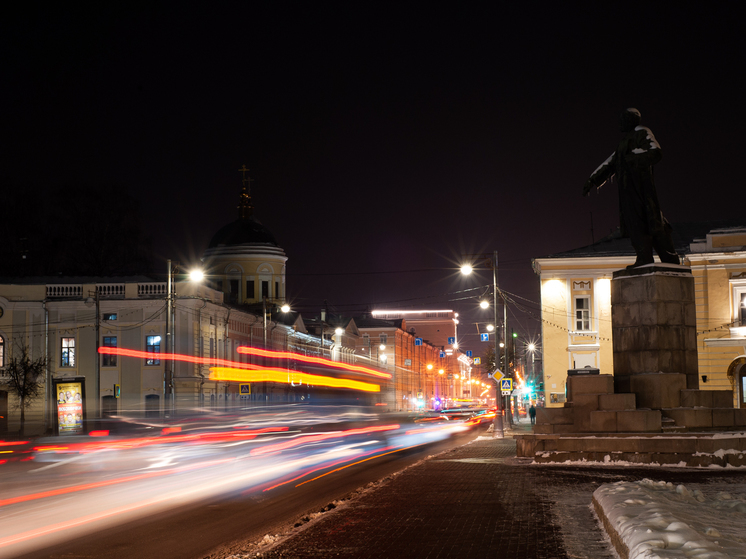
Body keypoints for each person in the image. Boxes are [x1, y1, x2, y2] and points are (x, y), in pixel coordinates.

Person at [583, 108, 679, 268]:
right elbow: (610, 163)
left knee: (652, 222)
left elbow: (656, 152)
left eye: (623, 119)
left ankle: (669, 258)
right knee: (635, 223)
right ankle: (644, 257)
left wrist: (633, 158)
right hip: (628, 191)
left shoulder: (642, 132)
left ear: (632, 120)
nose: (620, 123)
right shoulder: (623, 142)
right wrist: (592, 180)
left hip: (642, 188)